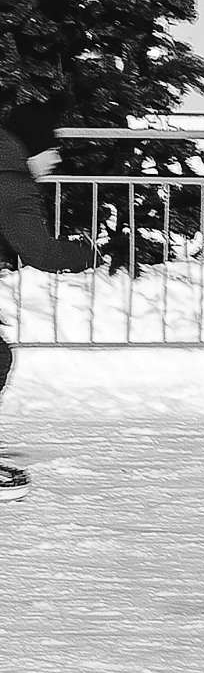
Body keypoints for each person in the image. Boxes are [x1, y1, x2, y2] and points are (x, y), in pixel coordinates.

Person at [0, 100, 100, 502]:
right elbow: (42, 253)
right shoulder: (11, 182)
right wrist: (95, 252)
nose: (57, 157)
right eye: (51, 147)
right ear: (32, 148)